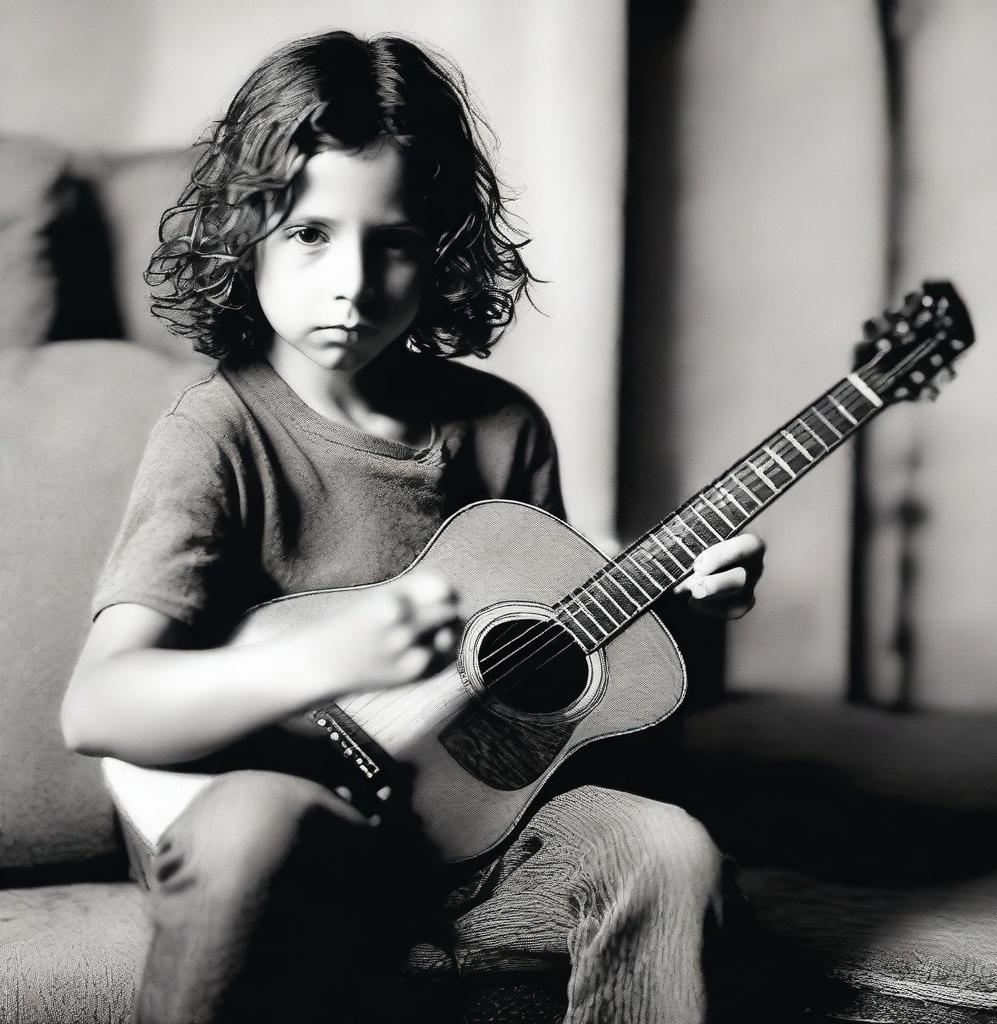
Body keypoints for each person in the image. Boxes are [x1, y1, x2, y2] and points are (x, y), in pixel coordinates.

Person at [60, 30, 766, 1024]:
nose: (351, 280)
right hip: (276, 822)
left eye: (389, 239)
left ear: (436, 245)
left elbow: (555, 710)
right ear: (246, 230)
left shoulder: (503, 428)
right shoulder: (216, 432)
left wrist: (680, 618)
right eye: (309, 233)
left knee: (667, 844)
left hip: (464, 836)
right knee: (260, 820)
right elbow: (100, 705)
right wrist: (320, 661)